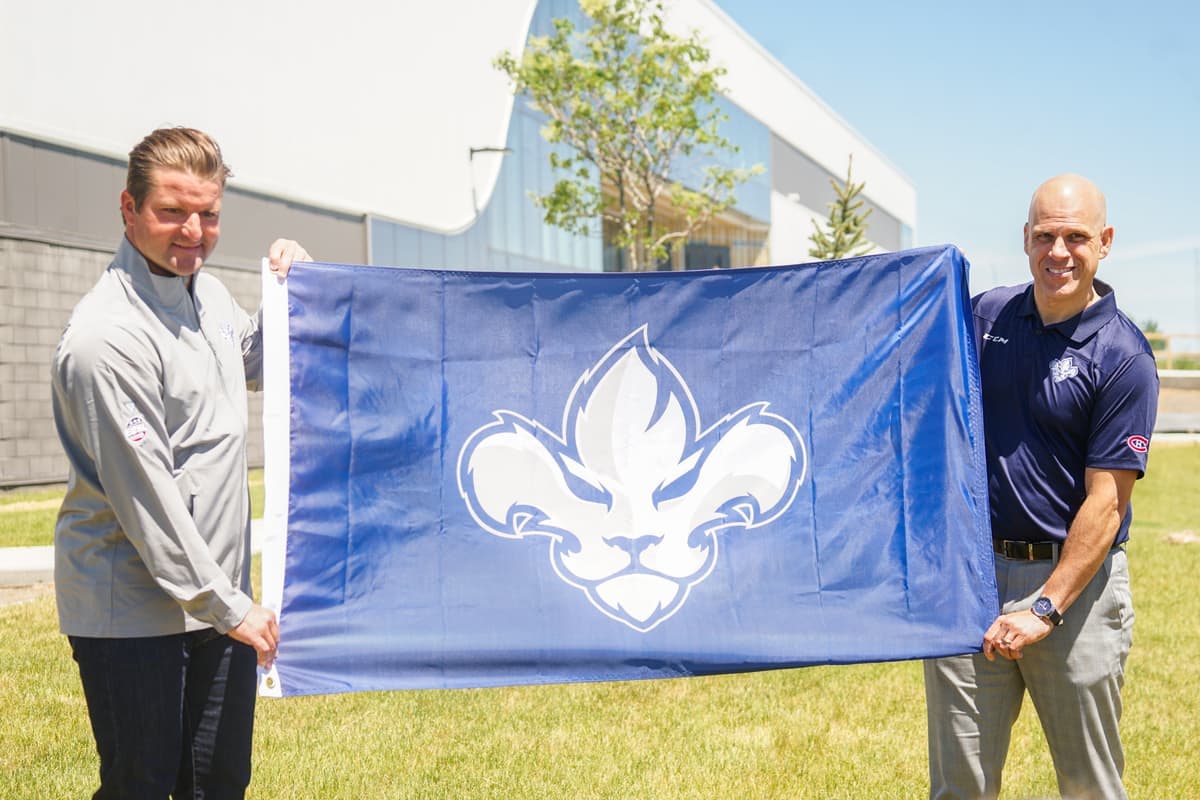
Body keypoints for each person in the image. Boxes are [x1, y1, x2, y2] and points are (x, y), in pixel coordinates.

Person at [51, 126, 310, 799]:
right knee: (142, 784)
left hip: (216, 604)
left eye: (209, 214)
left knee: (218, 783)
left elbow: (258, 362)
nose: (194, 232)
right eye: (172, 211)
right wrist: (231, 608)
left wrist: (295, 292)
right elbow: (148, 502)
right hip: (133, 612)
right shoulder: (106, 340)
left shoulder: (208, 294)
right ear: (129, 208)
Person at [923, 174, 1159, 800]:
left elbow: (1107, 503)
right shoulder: (985, 316)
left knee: (1088, 787)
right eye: (1046, 236)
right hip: (971, 584)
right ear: (1026, 238)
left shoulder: (1124, 356)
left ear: (1104, 241)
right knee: (960, 787)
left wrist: (1045, 607)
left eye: (1076, 237)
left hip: (1075, 590)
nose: (1059, 252)